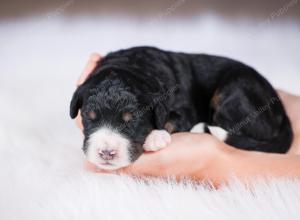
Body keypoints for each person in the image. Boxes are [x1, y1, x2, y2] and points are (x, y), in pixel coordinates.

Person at [75, 53, 300, 186]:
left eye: (129, 120)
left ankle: (241, 137)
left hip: (243, 91)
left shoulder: (164, 92)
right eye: (92, 119)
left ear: (157, 107)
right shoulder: (100, 84)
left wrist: (212, 158)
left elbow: (181, 114)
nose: (106, 149)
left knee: (231, 98)